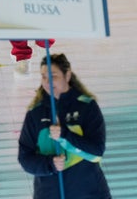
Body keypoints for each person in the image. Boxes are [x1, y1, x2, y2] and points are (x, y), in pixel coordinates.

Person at [18, 53, 111, 199]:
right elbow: (25, 158)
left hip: (89, 193)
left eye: (53, 76)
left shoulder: (86, 106)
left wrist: (65, 135)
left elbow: (96, 152)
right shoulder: (35, 113)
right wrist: (50, 164)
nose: (47, 82)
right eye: (44, 77)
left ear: (67, 76)